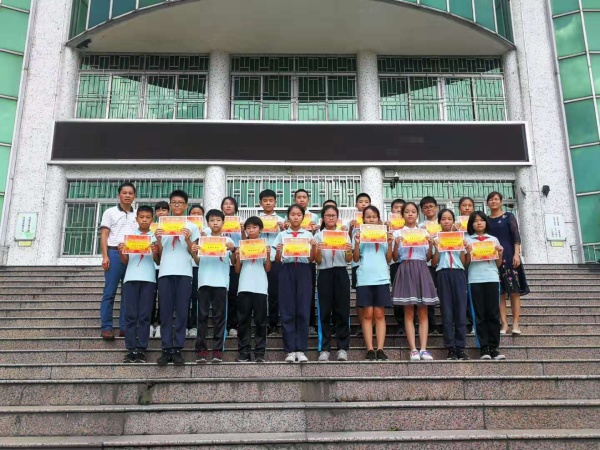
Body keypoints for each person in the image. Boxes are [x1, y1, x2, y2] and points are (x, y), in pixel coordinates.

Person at [155, 190, 200, 366]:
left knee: (182, 311)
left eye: (180, 202)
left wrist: (188, 240)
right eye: (174, 202)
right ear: (170, 205)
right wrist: (158, 240)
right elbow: (158, 255)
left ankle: (178, 348)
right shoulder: (161, 226)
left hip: (185, 273)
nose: (177, 205)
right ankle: (166, 348)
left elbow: (195, 254)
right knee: (165, 312)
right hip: (165, 272)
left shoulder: (192, 226)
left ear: (186, 205)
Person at [392, 202, 439, 361]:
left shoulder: (424, 232)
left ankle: (424, 349)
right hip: (405, 268)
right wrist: (395, 244)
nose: (410, 214)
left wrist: (431, 245)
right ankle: (413, 349)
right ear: (402, 215)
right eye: (407, 212)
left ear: (417, 214)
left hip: (421, 268)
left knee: (423, 311)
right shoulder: (397, 233)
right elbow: (395, 258)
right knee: (409, 312)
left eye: (413, 211)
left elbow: (428, 257)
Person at [273, 204, 316, 362]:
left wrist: (313, 248)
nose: (296, 217)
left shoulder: (308, 235)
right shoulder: (282, 235)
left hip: (304, 271)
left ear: (303, 217)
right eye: (293, 214)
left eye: (299, 214)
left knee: (303, 308)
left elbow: (311, 259)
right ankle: (290, 350)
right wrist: (279, 250)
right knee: (287, 308)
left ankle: (301, 349)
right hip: (287, 270)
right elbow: (278, 260)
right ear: (288, 217)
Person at [192, 209, 236, 363]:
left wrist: (234, 250)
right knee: (202, 317)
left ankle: (217, 350)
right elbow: (197, 262)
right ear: (207, 223)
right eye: (212, 220)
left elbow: (234, 263)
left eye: (218, 220)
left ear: (223, 222)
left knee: (219, 317)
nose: (215, 223)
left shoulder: (228, 241)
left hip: (221, 283)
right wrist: (193, 252)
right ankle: (201, 350)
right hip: (204, 281)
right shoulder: (202, 240)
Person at [118, 206, 160, 363]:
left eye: (148, 217)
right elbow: (125, 261)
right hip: (130, 279)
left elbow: (158, 261)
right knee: (130, 315)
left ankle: (141, 349)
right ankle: (130, 349)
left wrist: (155, 251)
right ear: (136, 219)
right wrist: (121, 251)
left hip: (149, 279)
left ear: (152, 220)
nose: (144, 220)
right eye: (141, 217)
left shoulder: (154, 237)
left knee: (144, 316)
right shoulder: (130, 236)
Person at [353, 205, 393, 361]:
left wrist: (390, 243)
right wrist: (357, 243)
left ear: (378, 219)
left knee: (380, 314)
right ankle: (370, 348)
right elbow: (355, 258)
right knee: (368, 314)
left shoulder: (384, 234)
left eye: (374, 217)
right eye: (368, 217)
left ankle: (380, 348)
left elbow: (389, 259)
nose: (371, 219)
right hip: (365, 278)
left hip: (381, 277)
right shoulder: (359, 234)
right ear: (363, 219)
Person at [486, 191, 530, 335]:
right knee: (500, 292)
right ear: (487, 203)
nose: (493, 201)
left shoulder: (509, 217)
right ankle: (504, 324)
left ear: (501, 201)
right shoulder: (486, 220)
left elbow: (516, 237)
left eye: (496, 199)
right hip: (494, 258)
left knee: (514, 291)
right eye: (490, 200)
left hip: (510, 256)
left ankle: (516, 324)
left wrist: (517, 254)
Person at [465, 211, 506, 360]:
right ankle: (484, 348)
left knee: (493, 313)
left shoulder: (493, 239)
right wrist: (468, 252)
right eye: (475, 221)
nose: (479, 223)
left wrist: (500, 253)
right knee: (479, 314)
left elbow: (498, 264)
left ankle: (494, 347)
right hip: (475, 279)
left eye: (481, 220)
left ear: (486, 223)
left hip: (492, 278)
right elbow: (465, 263)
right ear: (471, 224)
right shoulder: (467, 240)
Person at [99, 182, 138, 340]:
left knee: (128, 293)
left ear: (134, 196)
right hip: (114, 253)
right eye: (124, 193)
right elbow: (104, 235)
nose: (127, 195)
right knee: (109, 292)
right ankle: (106, 327)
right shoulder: (110, 212)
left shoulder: (138, 214)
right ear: (119, 195)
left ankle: (124, 326)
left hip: (132, 255)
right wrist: (105, 256)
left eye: (130, 193)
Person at [314, 205, 352, 362]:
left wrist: (349, 250)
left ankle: (342, 348)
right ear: (323, 218)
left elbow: (349, 259)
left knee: (342, 311)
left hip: (341, 272)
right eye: (327, 215)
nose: (330, 217)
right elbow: (317, 261)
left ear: (337, 218)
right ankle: (324, 349)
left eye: (333, 215)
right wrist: (318, 250)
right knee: (324, 312)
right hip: (324, 273)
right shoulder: (318, 236)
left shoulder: (344, 235)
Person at [432, 209, 469, 361]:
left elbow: (464, 263)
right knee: (446, 311)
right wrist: (436, 248)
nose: (446, 221)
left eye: (449, 219)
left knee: (460, 310)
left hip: (458, 274)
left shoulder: (460, 238)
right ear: (439, 222)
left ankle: (460, 347)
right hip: (443, 274)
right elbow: (434, 263)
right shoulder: (436, 238)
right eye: (443, 219)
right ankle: (450, 348)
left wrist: (465, 249)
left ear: (453, 221)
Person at [235, 216, 271, 362]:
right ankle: (244, 352)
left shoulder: (264, 245)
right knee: (243, 320)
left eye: (254, 227)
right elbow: (237, 270)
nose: (251, 230)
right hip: (244, 286)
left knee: (260, 321)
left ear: (260, 229)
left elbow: (268, 268)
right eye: (248, 228)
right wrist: (238, 256)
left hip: (260, 287)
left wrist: (268, 254)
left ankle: (260, 352)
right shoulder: (242, 245)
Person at [293, 189, 320, 336]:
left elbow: (317, 239)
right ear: (294, 199)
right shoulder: (290, 216)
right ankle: (294, 323)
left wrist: (315, 230)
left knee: (308, 292)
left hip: (308, 259)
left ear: (308, 200)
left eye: (304, 197)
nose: (301, 200)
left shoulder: (314, 217)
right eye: (299, 197)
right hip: (291, 260)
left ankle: (310, 323)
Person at [259, 189, 285, 336]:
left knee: (274, 293)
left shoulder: (281, 221)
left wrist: (283, 229)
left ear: (275, 202)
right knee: (260, 293)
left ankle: (273, 324)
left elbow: (287, 240)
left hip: (275, 260)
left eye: (271, 200)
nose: (268, 203)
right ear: (260, 203)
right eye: (265, 200)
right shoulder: (256, 221)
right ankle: (261, 323)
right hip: (258, 260)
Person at [347, 193, 372, 336]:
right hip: (358, 263)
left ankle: (372, 325)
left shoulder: (377, 222)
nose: (363, 204)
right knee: (360, 295)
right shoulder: (352, 223)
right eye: (361, 202)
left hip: (373, 264)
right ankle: (363, 324)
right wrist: (350, 229)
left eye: (366, 201)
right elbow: (346, 241)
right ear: (356, 205)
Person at [419, 196, 440, 335]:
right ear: (422, 210)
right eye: (425, 207)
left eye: (431, 206)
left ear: (436, 208)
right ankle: (432, 325)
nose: (429, 209)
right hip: (427, 263)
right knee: (428, 294)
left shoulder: (445, 222)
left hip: (444, 262)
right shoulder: (420, 227)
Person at [221, 197, 242, 339]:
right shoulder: (215, 223)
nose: (228, 206)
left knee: (234, 295)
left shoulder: (241, 225)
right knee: (221, 295)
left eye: (231, 204)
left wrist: (243, 230)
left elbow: (247, 243)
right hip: (219, 264)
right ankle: (221, 324)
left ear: (235, 207)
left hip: (235, 263)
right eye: (225, 204)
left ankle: (233, 325)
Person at [456, 197, 475, 335]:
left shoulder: (478, 223)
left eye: (469, 205)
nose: (467, 208)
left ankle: (475, 322)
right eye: (464, 205)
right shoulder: (455, 224)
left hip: (477, 262)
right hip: (460, 263)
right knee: (463, 294)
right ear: (459, 208)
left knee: (473, 294)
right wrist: (454, 230)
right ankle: (465, 322)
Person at [387, 198, 407, 335]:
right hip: (395, 264)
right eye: (396, 207)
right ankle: (400, 323)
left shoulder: (414, 228)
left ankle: (411, 322)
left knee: (411, 292)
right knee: (398, 293)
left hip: (409, 263)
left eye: (401, 208)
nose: (398, 210)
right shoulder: (387, 227)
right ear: (391, 210)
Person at [150, 201, 169, 339]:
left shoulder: (173, 227)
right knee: (151, 297)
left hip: (166, 267)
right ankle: (150, 324)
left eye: (164, 210)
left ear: (168, 212)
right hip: (152, 267)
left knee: (163, 297)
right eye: (158, 210)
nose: (161, 212)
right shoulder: (151, 227)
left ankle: (161, 324)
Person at [187, 204, 205, 339]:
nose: (196, 216)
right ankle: (185, 324)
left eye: (199, 213)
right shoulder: (184, 229)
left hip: (199, 266)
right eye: (193, 213)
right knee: (185, 297)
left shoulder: (207, 230)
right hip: (185, 266)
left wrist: (204, 237)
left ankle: (193, 325)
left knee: (196, 296)